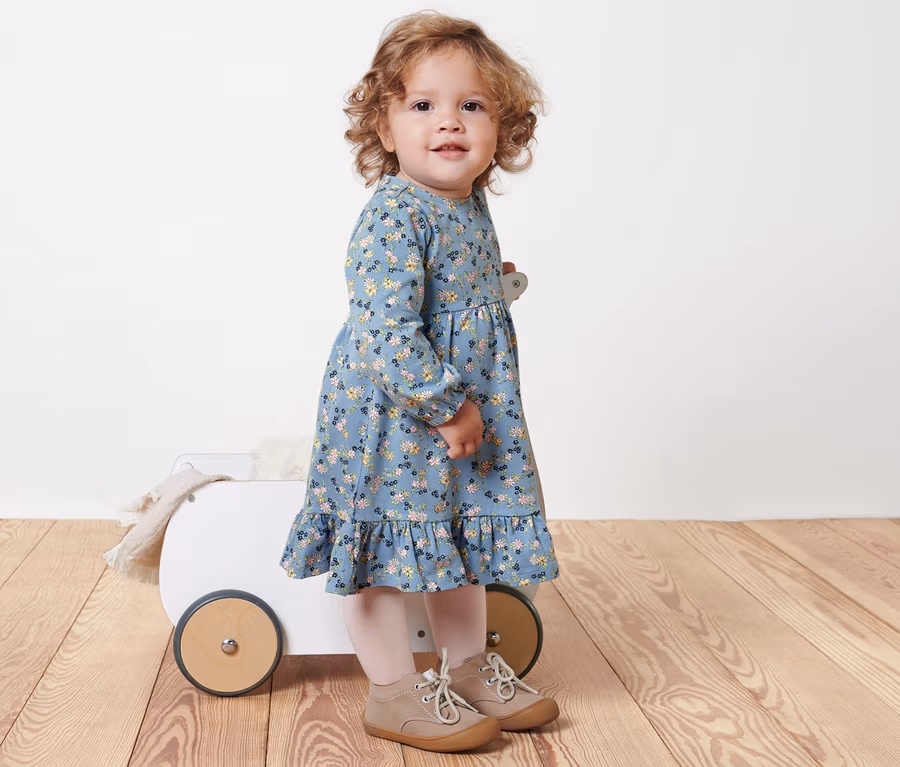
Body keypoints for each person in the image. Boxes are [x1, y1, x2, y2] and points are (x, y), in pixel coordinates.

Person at [279, 10, 560, 752]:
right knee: (383, 547)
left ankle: (466, 669)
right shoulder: (393, 217)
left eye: (473, 105)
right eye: (423, 104)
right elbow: (387, 332)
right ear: (384, 124)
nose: (449, 122)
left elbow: (450, 294)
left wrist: (491, 284)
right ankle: (393, 689)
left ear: (503, 127)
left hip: (459, 411)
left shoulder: (466, 202)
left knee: (457, 542)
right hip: (395, 418)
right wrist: (446, 405)